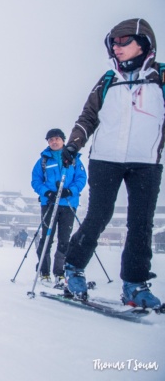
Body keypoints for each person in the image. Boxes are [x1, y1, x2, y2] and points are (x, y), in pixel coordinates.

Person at [61, 18, 163, 308]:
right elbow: (88, 117)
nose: (116, 48)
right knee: (99, 215)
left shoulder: (160, 78)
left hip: (146, 162)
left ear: (143, 43)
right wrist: (74, 144)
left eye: (123, 42)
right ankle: (73, 268)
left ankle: (134, 284)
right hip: (105, 159)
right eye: (113, 43)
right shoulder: (108, 80)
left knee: (141, 223)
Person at [31, 128, 87, 288]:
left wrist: (71, 191)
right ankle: (44, 271)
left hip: (68, 204)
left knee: (64, 240)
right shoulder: (43, 160)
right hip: (49, 204)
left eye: (56, 139)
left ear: (63, 140)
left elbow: (81, 178)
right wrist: (46, 192)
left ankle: (60, 272)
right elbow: (35, 181)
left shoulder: (74, 159)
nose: (54, 142)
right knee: (46, 238)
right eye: (50, 140)